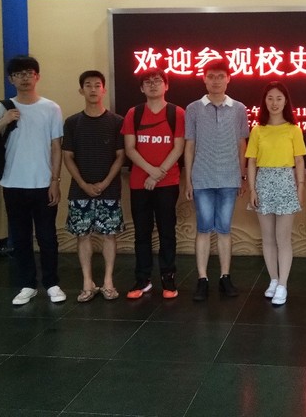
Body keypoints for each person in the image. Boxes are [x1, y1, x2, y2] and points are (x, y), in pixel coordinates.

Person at [0, 55, 65, 306]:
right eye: (19, 74)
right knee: (20, 237)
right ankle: (27, 284)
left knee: (47, 237)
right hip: (13, 183)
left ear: (37, 76)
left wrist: (55, 180)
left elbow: (56, 146)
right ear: (11, 79)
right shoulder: (1, 108)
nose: (25, 78)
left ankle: (52, 283)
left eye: (29, 73)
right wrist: (3, 122)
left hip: (43, 183)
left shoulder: (51, 108)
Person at [184, 59, 249, 301]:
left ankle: (225, 277)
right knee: (203, 228)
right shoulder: (193, 108)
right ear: (204, 78)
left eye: (221, 76)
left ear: (228, 78)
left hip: (229, 177)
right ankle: (202, 279)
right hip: (201, 177)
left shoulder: (238, 108)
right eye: (211, 76)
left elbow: (242, 144)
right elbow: (189, 145)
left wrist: (242, 176)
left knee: (223, 228)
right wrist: (188, 179)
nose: (216, 80)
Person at [121, 68, 185, 300]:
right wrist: (150, 172)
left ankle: (168, 278)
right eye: (147, 82)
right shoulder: (134, 113)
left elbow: (178, 147)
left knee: (167, 232)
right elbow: (130, 148)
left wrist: (158, 174)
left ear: (166, 85)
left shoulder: (176, 113)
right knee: (142, 233)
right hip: (140, 183)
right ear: (141, 88)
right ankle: (143, 279)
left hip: (168, 182)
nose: (153, 85)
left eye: (157, 81)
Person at [62, 70, 125, 302]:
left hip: (110, 189)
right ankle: (87, 283)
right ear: (81, 90)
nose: (93, 89)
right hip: (80, 190)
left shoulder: (117, 121)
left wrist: (105, 182)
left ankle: (108, 282)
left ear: (104, 90)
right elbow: (67, 156)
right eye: (88, 85)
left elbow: (120, 156)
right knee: (83, 236)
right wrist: (83, 184)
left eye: (97, 85)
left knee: (109, 235)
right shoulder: (72, 122)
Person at [246, 81, 306, 306]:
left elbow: (299, 160)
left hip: (286, 182)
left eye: (279, 98)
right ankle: (273, 279)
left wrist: (300, 187)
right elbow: (251, 161)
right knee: (268, 238)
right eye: (270, 98)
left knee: (283, 238)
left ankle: (283, 284)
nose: (274, 103)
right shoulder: (257, 130)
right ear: (264, 101)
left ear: (285, 101)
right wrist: (252, 189)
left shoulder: (293, 129)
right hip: (263, 182)